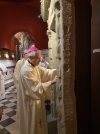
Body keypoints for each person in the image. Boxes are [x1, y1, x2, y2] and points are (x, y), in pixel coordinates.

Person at [18, 48, 58, 134]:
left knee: (40, 125)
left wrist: (57, 71)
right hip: (31, 103)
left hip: (36, 102)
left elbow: (45, 72)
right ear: (31, 58)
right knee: (34, 126)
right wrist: (51, 82)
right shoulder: (26, 71)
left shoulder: (33, 65)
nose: (40, 61)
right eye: (38, 59)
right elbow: (35, 89)